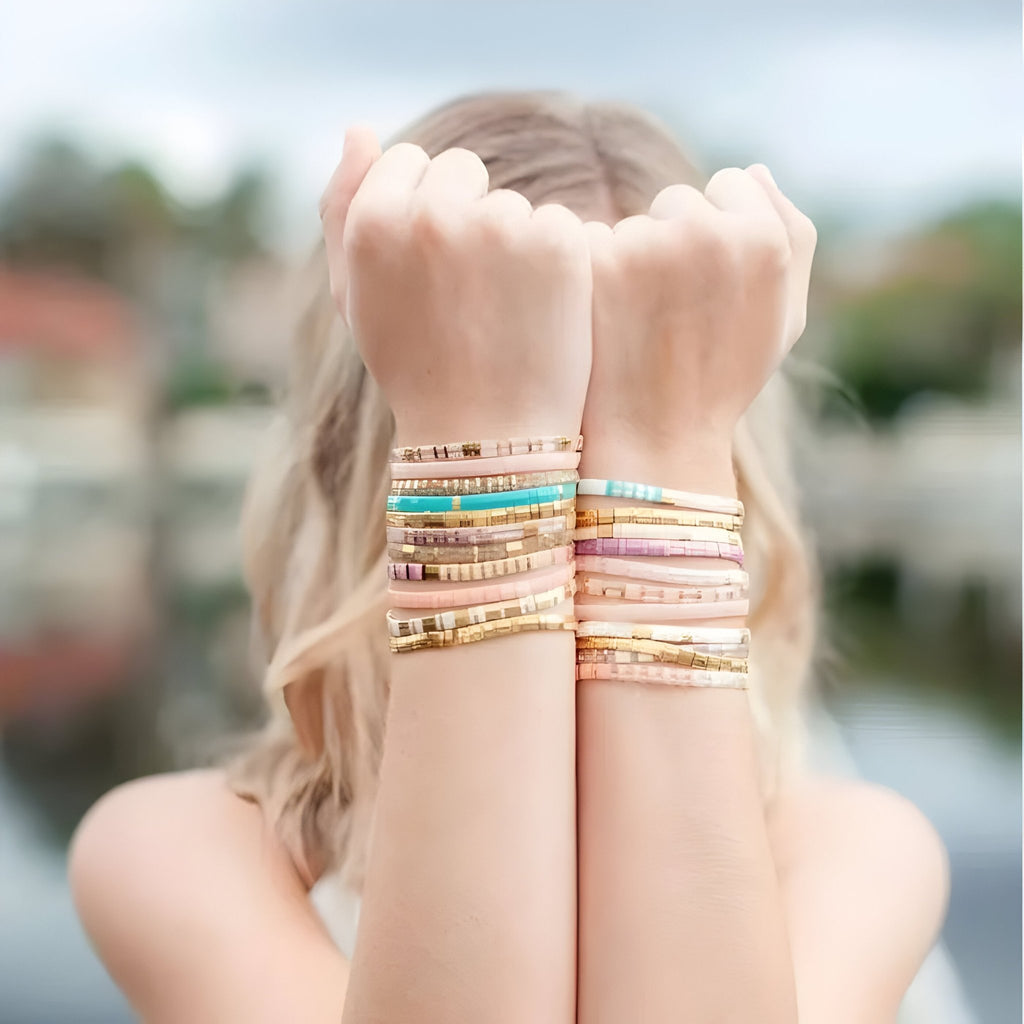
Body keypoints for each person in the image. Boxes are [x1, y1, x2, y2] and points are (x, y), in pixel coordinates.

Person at [67, 91, 950, 1023]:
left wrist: (657, 445)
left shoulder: (850, 851)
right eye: (526, 392)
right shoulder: (182, 853)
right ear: (366, 451)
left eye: (646, 401)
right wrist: (482, 438)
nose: (572, 475)